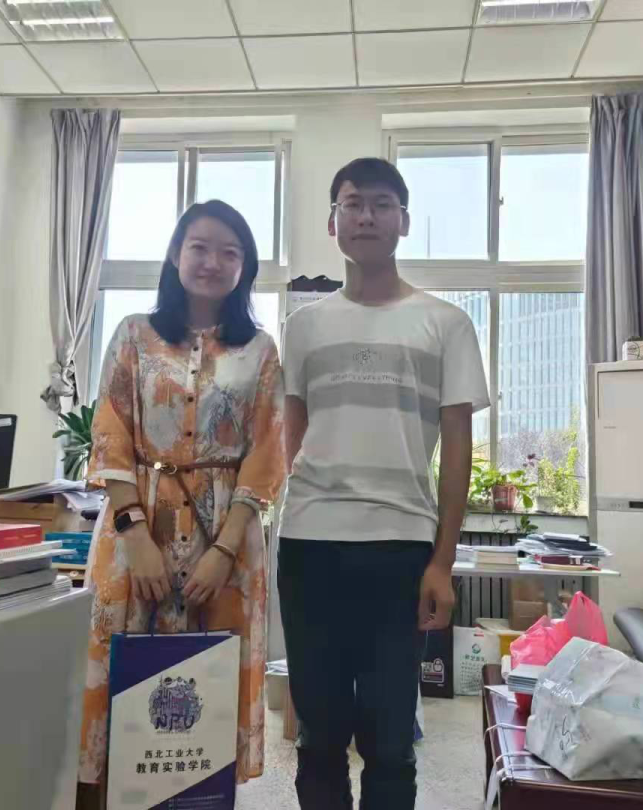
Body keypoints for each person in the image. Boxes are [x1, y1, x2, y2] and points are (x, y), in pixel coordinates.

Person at [278, 158, 490, 810]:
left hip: (400, 546)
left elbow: (458, 451)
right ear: (333, 221)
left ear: (403, 220)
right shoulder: (304, 326)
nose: (365, 216)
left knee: (391, 739)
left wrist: (443, 561)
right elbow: (292, 439)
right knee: (318, 734)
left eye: (380, 204)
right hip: (310, 544)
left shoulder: (445, 323)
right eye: (352, 203)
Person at [78, 200, 285, 808]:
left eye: (229, 252)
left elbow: (267, 451)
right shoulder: (133, 335)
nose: (212, 262)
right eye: (199, 247)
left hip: (229, 534)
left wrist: (224, 551)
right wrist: (136, 536)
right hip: (135, 525)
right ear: (175, 254)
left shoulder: (261, 350)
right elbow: (111, 433)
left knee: (205, 690)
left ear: (244, 268)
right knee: (121, 675)